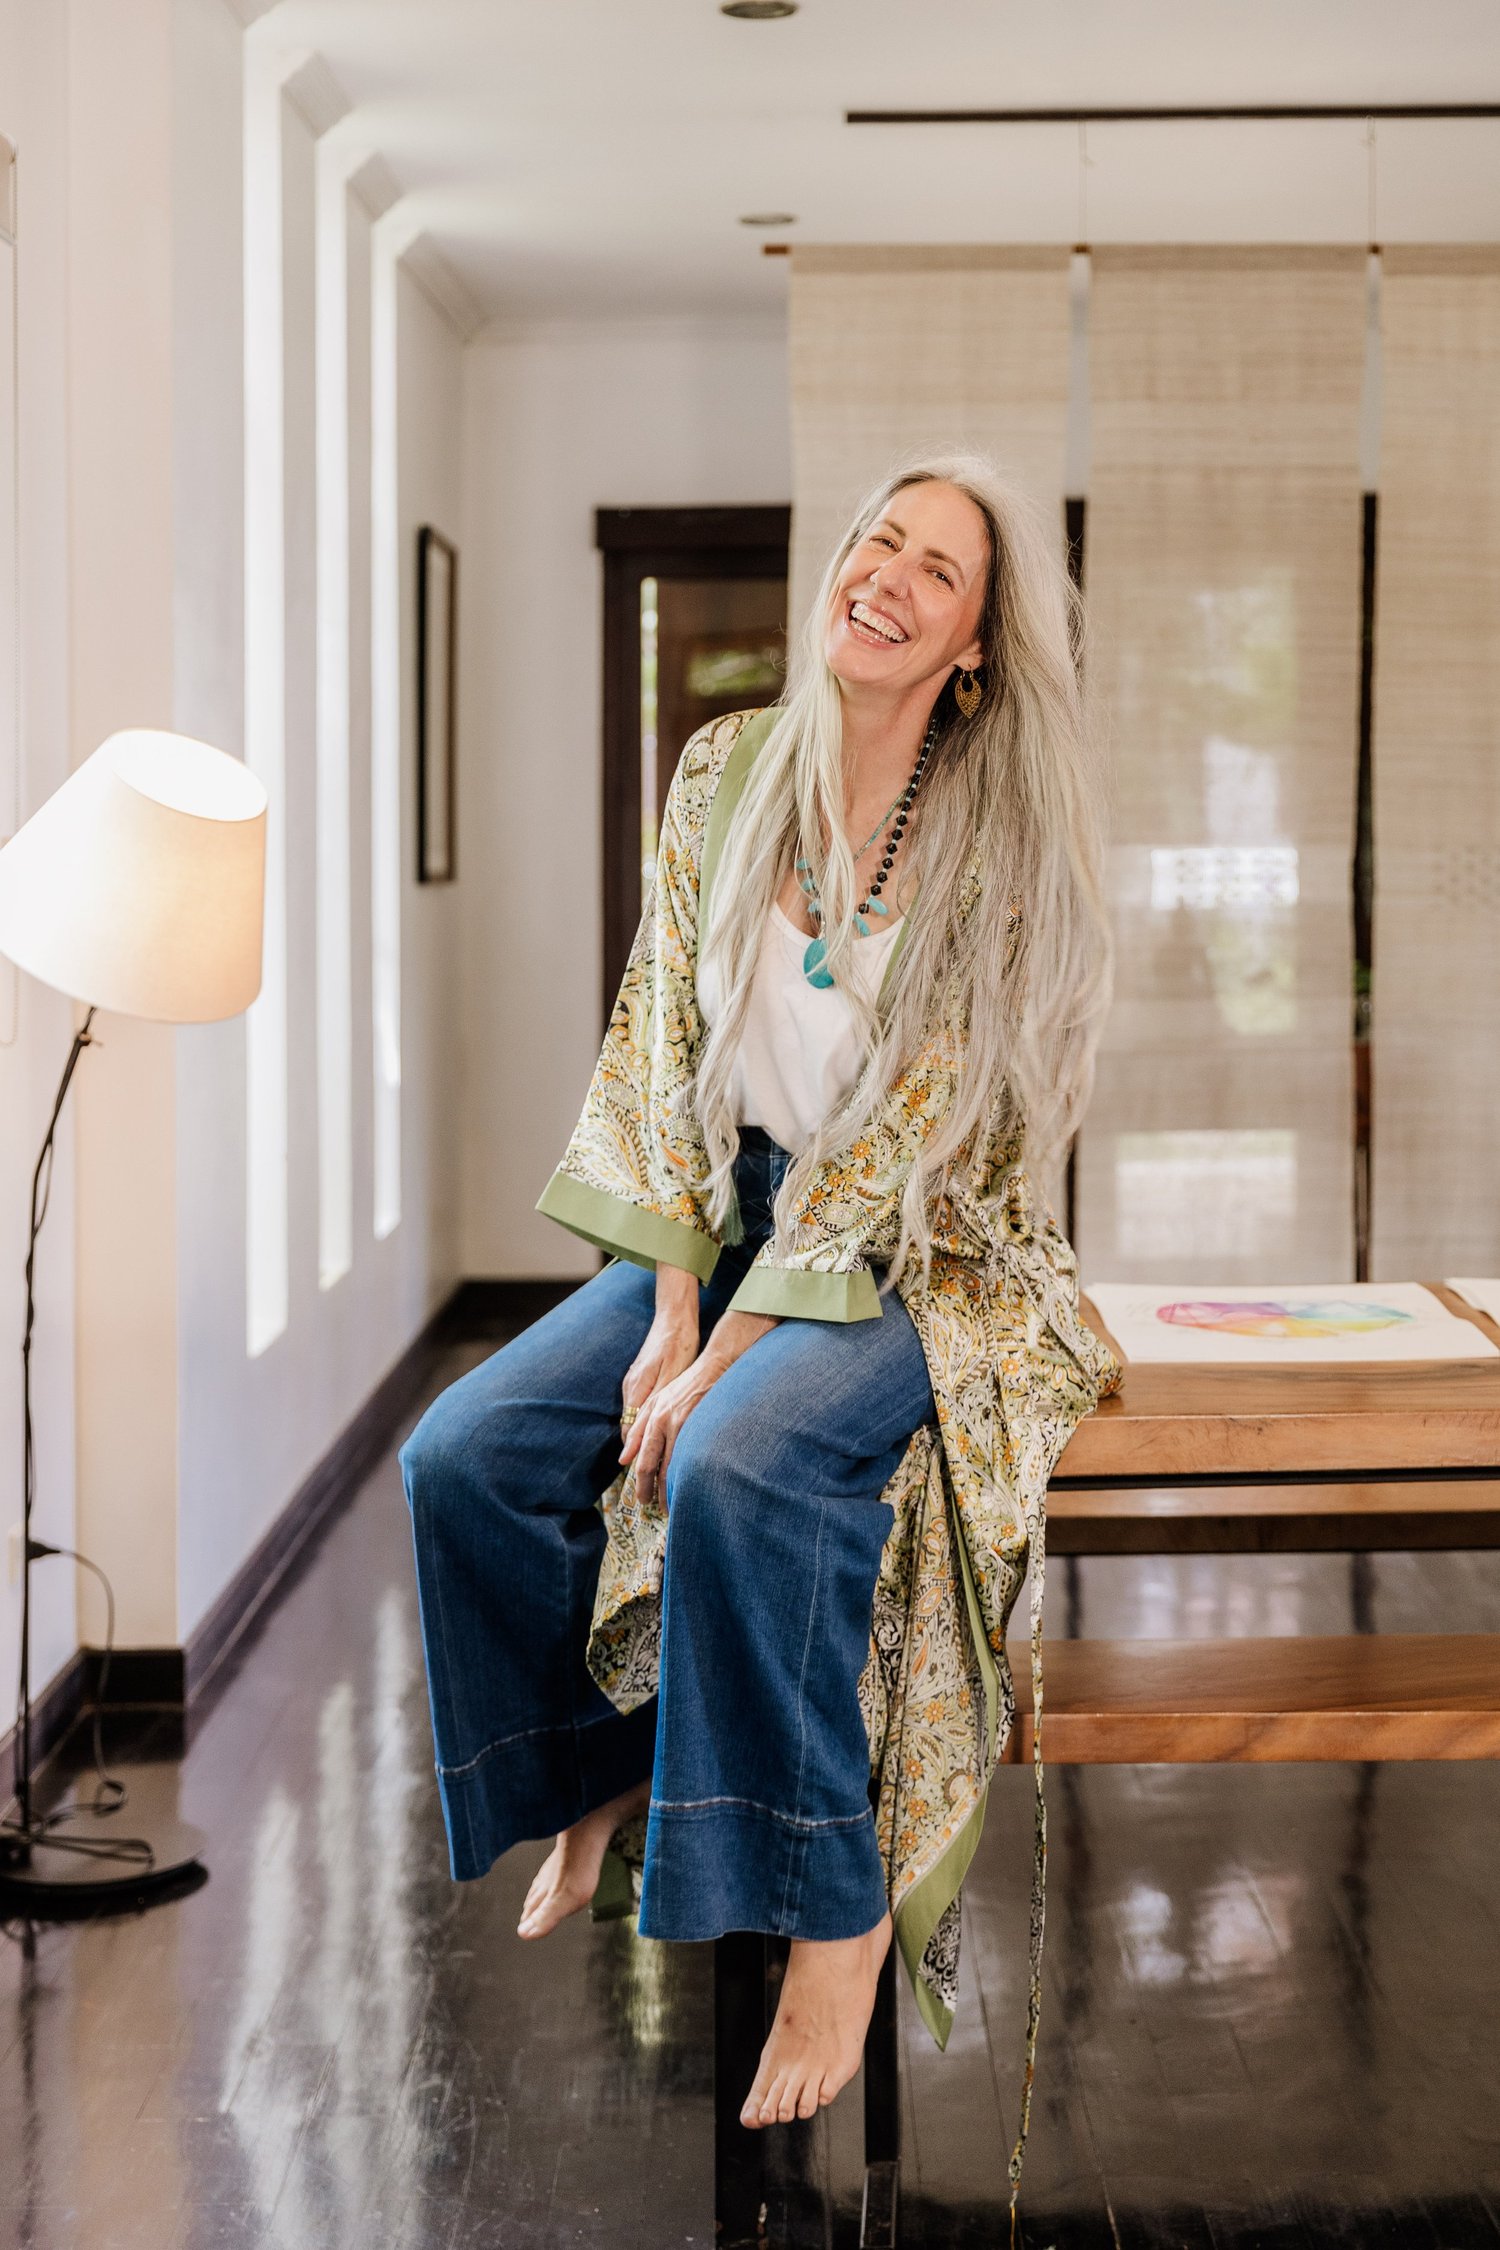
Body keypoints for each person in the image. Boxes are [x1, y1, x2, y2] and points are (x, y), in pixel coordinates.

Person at [400, 453, 1122, 2172]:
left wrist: (720, 1362)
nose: (888, 575)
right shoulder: (725, 767)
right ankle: (598, 1764)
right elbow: (664, 1035)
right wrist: (669, 1305)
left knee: (731, 1459)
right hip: (732, 1221)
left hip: (926, 1244)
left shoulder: (991, 831)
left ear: (975, 643)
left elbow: (908, 1134)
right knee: (464, 1455)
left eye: (938, 570)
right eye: (881, 539)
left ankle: (836, 1907)